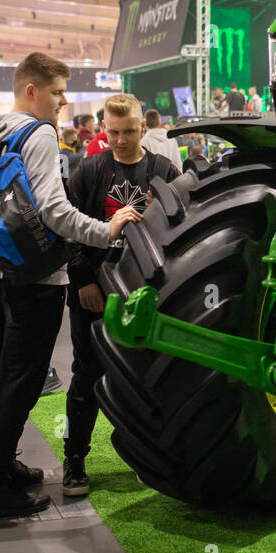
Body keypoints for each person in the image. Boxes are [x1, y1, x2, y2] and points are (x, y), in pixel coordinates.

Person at [0, 52, 142, 520]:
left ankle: (2, 468)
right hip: (37, 275)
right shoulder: (39, 133)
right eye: (57, 91)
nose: (64, 101)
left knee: (10, 377)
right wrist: (106, 230)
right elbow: (53, 211)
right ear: (32, 91)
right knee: (22, 381)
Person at [63, 94, 177, 495]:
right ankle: (74, 459)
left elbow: (181, 233)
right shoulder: (90, 169)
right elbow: (70, 230)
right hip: (94, 290)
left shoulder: (164, 170)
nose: (120, 140)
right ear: (103, 130)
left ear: (142, 128)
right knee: (86, 374)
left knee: (147, 378)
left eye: (128, 131)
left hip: (147, 293)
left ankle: (147, 458)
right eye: (112, 132)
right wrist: (82, 281)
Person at [142, 108, 183, 172]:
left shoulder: (144, 142)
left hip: (153, 180)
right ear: (159, 121)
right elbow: (177, 163)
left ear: (145, 122)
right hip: (172, 179)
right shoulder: (171, 139)